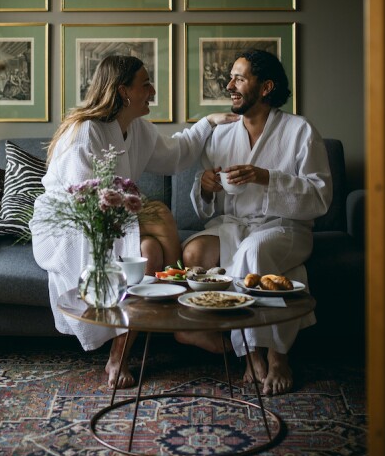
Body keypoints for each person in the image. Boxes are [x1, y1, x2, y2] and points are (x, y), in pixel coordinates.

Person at [29, 55, 239, 390]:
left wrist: (208, 123)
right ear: (124, 91)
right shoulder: (85, 133)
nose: (152, 90)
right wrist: (137, 211)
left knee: (149, 254)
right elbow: (86, 202)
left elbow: (174, 155)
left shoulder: (137, 129)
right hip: (74, 227)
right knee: (159, 214)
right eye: (146, 84)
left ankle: (120, 357)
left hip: (113, 215)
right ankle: (185, 320)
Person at [179, 49, 333, 395]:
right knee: (193, 253)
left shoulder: (300, 131)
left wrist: (267, 178)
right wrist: (205, 188)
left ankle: (271, 355)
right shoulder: (222, 134)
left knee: (254, 250)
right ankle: (235, 342)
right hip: (235, 223)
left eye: (239, 78)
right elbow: (212, 203)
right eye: (231, 77)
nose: (230, 85)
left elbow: (320, 196)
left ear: (265, 87)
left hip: (286, 226)